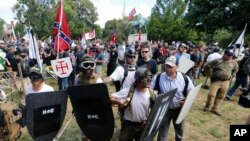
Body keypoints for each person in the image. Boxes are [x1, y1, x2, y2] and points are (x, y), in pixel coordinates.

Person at [151, 56, 194, 141]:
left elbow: (192, 91)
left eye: (170, 67)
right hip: (164, 110)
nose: (167, 69)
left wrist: (186, 101)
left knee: (179, 132)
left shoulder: (184, 78)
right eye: (166, 66)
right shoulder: (158, 77)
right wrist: (155, 96)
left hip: (179, 110)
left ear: (177, 66)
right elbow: (150, 89)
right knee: (162, 132)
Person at [110, 67, 155, 141]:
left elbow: (155, 108)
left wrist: (148, 118)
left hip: (143, 125)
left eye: (149, 78)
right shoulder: (128, 91)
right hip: (128, 125)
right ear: (138, 79)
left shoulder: (151, 93)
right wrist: (118, 101)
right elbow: (109, 97)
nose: (149, 80)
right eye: (145, 78)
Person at [74, 54, 102, 141]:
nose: (89, 67)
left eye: (91, 65)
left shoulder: (98, 80)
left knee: (94, 134)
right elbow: (75, 93)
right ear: (82, 66)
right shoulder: (77, 78)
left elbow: (102, 98)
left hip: (95, 111)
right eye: (86, 65)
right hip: (82, 111)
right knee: (84, 134)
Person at [203, 49, 238, 116]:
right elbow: (207, 66)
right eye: (228, 55)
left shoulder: (234, 62)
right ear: (224, 54)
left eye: (231, 55)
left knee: (221, 96)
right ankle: (207, 106)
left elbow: (236, 69)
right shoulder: (218, 61)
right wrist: (209, 74)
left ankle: (215, 108)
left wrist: (232, 75)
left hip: (226, 81)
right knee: (211, 94)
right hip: (216, 81)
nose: (229, 57)